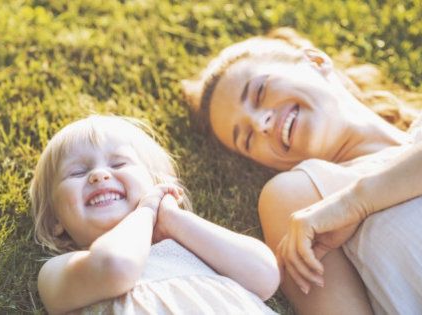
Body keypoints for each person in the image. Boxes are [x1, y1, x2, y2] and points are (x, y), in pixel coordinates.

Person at [182, 28, 422, 315]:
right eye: (247, 139)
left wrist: (357, 202)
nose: (261, 123)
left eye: (259, 92)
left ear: (315, 62)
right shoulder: (302, 198)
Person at [29, 115, 280, 314]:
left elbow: (265, 276)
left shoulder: (195, 246)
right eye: (76, 172)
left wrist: (173, 218)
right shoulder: (62, 270)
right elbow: (116, 266)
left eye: (118, 164)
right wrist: (146, 211)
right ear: (55, 222)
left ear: (157, 185)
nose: (99, 175)